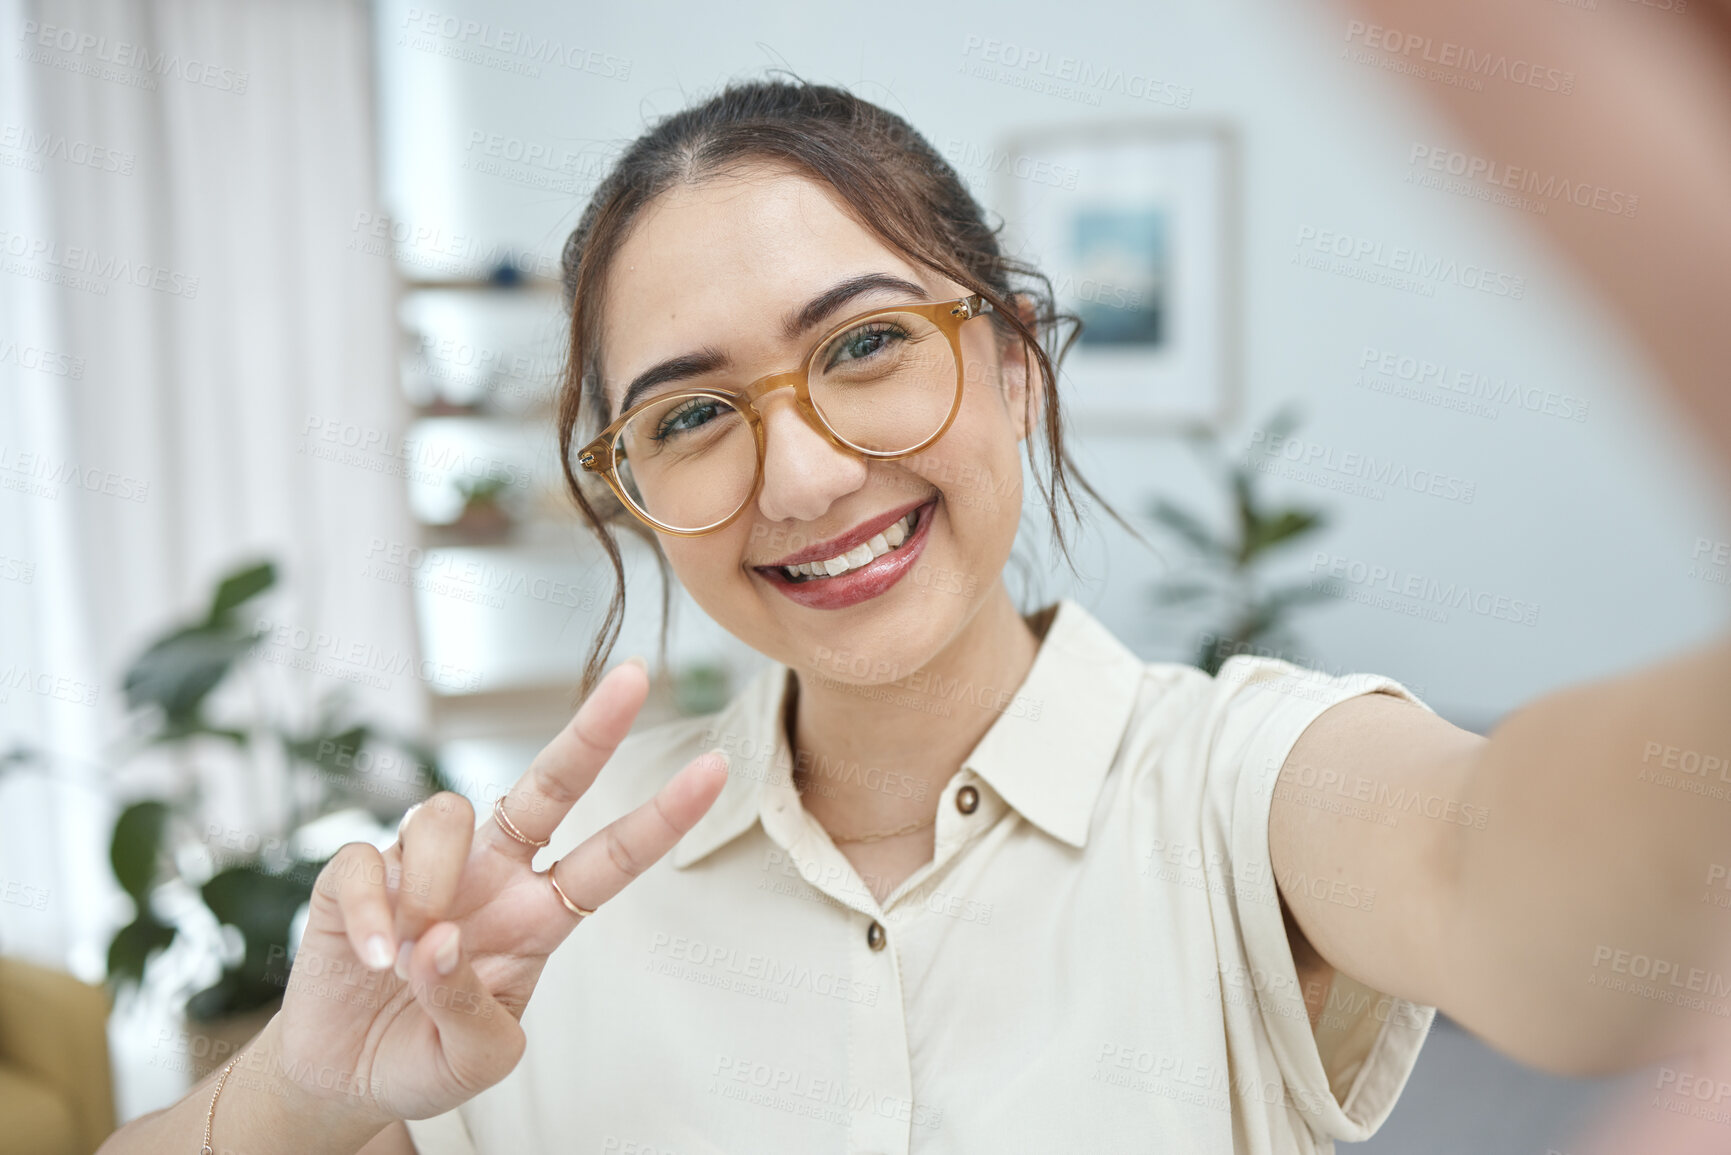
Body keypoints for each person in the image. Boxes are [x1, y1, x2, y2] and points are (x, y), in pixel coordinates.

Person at [96, 73, 1731, 1155]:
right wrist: (301, 1101)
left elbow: (1505, 867)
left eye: (868, 343)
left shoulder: (1238, 784)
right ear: (628, 489)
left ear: (1013, 362)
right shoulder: (532, 911)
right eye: (688, 414)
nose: (801, 477)